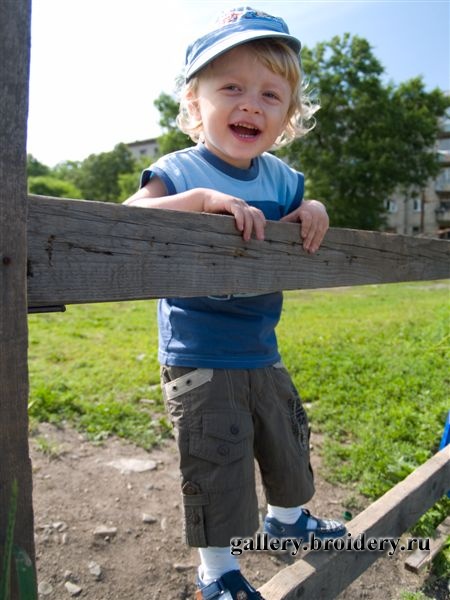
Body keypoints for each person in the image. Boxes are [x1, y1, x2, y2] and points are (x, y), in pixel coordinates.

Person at [124, 7, 346, 599]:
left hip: (261, 345)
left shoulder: (281, 180)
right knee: (216, 459)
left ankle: (288, 519)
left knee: (285, 436)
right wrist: (199, 201)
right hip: (199, 350)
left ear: (288, 115)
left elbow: (301, 214)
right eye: (232, 88)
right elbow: (127, 220)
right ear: (195, 104)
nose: (251, 105)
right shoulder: (180, 171)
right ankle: (216, 570)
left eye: (270, 94)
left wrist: (314, 208)